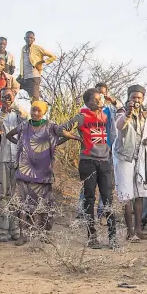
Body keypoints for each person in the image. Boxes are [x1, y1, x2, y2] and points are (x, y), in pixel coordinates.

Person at [7, 101, 73, 246]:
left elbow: (65, 135)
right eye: (33, 110)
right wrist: (22, 145)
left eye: (39, 111)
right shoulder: (24, 125)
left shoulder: (51, 126)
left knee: (44, 204)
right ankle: (24, 235)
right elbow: (9, 135)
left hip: (44, 170)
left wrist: (52, 145)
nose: (35, 113)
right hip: (25, 170)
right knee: (23, 204)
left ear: (44, 112)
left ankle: (44, 234)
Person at [58, 88, 117, 249]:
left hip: (104, 160)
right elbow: (61, 129)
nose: (99, 102)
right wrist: (77, 137)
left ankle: (113, 238)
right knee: (90, 198)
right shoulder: (82, 117)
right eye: (95, 99)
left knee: (108, 198)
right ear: (87, 102)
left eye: (100, 99)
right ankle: (92, 237)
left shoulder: (104, 116)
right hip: (88, 161)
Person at [114, 84, 147, 242]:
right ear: (129, 98)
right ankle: (129, 232)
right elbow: (120, 126)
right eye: (133, 97)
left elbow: (146, 133)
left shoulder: (145, 115)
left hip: (140, 157)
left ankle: (139, 230)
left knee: (139, 194)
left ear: (143, 99)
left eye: (139, 97)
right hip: (125, 157)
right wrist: (128, 113)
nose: (136, 100)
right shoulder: (121, 112)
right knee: (127, 195)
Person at [0, 88, 28, 242]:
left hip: (17, 159)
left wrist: (15, 105)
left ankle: (15, 229)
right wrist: (3, 111)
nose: (6, 99)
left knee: (16, 196)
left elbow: (27, 120)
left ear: (14, 97)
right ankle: (2, 230)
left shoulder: (18, 113)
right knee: (1, 194)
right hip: (2, 158)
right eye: (3, 96)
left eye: (9, 96)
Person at [18, 31, 57, 101]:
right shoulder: (23, 49)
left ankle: (36, 110)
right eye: (27, 37)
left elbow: (53, 56)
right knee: (21, 96)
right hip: (24, 77)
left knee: (34, 98)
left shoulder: (37, 48)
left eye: (31, 38)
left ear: (34, 39)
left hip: (34, 76)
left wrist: (42, 61)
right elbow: (22, 62)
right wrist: (20, 75)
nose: (29, 39)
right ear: (24, 38)